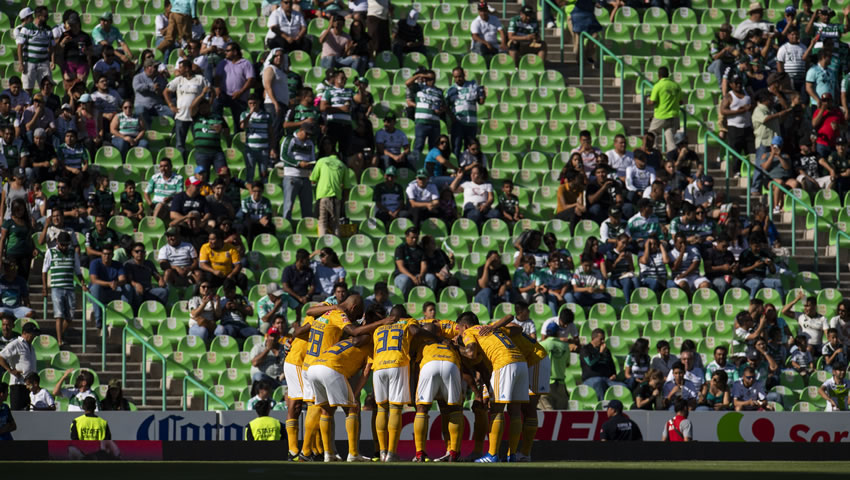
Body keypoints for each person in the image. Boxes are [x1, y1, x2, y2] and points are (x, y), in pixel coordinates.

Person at [456, 312, 527, 463]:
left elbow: (471, 353)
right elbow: (513, 320)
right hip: (520, 362)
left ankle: (492, 454)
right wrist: (495, 326)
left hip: (503, 363)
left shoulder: (469, 332)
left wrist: (457, 347)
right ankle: (512, 454)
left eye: (459, 330)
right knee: (515, 411)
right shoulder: (490, 328)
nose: (460, 334)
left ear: (465, 326)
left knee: (496, 409)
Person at [42, 232, 86, 347]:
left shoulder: (72, 253)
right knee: (59, 314)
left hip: (69, 287)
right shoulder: (50, 252)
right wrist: (44, 288)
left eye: (66, 245)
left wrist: (83, 284)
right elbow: (44, 270)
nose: (64, 247)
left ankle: (58, 335)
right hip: (56, 287)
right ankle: (60, 341)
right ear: (57, 242)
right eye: (62, 245)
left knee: (70, 316)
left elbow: (77, 271)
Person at [164, 58, 210, 157]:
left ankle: (199, 160)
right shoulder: (178, 80)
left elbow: (210, 90)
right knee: (180, 144)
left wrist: (209, 104)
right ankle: (182, 162)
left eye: (180, 68)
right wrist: (171, 105)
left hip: (196, 116)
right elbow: (166, 91)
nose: (178, 70)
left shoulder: (200, 79)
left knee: (198, 142)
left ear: (187, 68)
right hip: (181, 116)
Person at [310, 138, 356, 236]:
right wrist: (343, 201)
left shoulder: (321, 161)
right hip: (336, 198)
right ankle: (336, 246)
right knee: (335, 225)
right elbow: (347, 187)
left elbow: (313, 179)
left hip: (323, 197)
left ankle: (322, 245)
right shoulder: (343, 166)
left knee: (322, 223)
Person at [88, 244, 131, 329]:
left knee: (128, 287)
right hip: (98, 294)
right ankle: (98, 319)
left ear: (113, 255)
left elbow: (123, 279)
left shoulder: (118, 265)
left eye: (109, 254)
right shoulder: (95, 263)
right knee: (96, 287)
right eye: (104, 254)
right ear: (101, 254)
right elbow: (94, 280)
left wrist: (116, 283)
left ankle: (125, 315)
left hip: (112, 291)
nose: (106, 256)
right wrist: (109, 283)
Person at [16, 6, 54, 95]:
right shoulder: (27, 28)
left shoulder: (48, 29)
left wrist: (52, 61)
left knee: (46, 87)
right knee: (28, 89)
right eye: (45, 16)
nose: (47, 18)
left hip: (44, 63)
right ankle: (28, 107)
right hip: (29, 63)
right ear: (39, 16)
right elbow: (19, 46)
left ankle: (44, 107)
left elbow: (52, 47)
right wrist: (21, 63)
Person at [0, 322, 38, 410]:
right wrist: (10, 370)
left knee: (27, 413)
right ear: (25, 333)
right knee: (17, 413)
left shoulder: (31, 346)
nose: (34, 336)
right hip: (18, 385)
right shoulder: (16, 343)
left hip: (29, 386)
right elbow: (1, 357)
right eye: (32, 334)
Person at [580, 328, 625, 401]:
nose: (603, 341)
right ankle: (602, 406)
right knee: (599, 382)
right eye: (601, 339)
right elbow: (590, 363)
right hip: (591, 379)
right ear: (594, 338)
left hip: (607, 379)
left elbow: (611, 365)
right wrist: (600, 353)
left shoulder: (606, 351)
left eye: (604, 339)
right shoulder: (585, 349)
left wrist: (613, 374)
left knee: (623, 387)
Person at [647, 67, 682, 152]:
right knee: (669, 136)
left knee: (652, 132)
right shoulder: (676, 86)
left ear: (659, 76)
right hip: (674, 116)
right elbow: (680, 102)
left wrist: (647, 100)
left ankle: (653, 152)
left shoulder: (658, 86)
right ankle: (672, 155)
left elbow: (652, 102)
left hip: (661, 115)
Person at [393, 227, 434, 296]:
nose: (414, 240)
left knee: (431, 278)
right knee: (404, 280)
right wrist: (412, 277)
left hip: (417, 275)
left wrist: (421, 275)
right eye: (412, 238)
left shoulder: (421, 250)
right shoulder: (400, 248)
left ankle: (429, 298)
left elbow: (424, 265)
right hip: (404, 275)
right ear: (407, 237)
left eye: (416, 238)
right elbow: (401, 267)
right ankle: (404, 302)